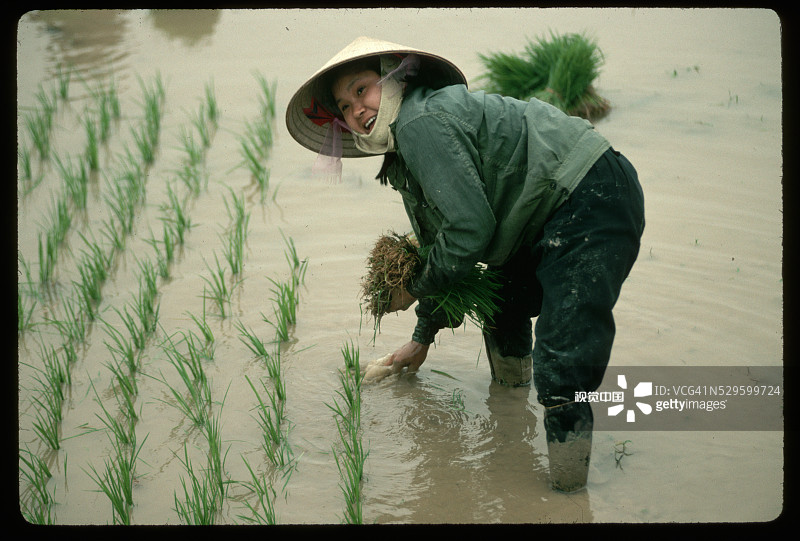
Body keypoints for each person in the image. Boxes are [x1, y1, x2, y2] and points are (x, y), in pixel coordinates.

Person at [286, 36, 645, 493]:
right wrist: (421, 339)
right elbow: (443, 245)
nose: (356, 109)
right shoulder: (405, 150)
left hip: (588, 195)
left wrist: (413, 288)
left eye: (362, 89)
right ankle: (511, 417)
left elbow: (469, 231)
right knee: (502, 306)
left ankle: (568, 496)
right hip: (542, 214)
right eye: (344, 105)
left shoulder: (420, 123)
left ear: (395, 78)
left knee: (561, 358)